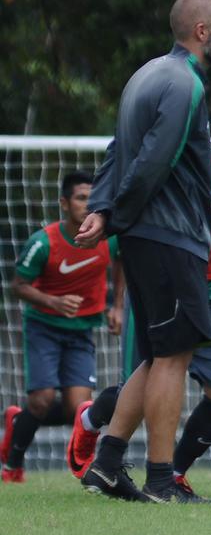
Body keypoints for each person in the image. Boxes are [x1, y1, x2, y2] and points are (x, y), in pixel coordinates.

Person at [67, 84, 211, 500]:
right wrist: (103, 215)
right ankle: (101, 435)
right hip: (165, 285)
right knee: (150, 373)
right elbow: (131, 188)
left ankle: (162, 473)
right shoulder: (185, 169)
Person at [74, 0, 211, 502]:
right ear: (202, 32)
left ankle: (106, 464)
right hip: (171, 238)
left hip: (145, 237)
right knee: (174, 356)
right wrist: (115, 215)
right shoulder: (185, 84)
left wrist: (103, 209)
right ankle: (162, 481)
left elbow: (117, 150)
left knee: (156, 353)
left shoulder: (145, 74)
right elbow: (151, 162)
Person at [0, 172, 125, 483]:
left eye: (93, 199)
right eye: (81, 198)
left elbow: (121, 261)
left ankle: (19, 421)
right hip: (44, 327)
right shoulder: (43, 242)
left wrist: (118, 306)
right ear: (64, 203)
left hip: (82, 330)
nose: (88, 205)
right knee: (41, 400)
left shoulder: (108, 238)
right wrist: (53, 302)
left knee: (76, 409)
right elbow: (18, 286)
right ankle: (13, 465)